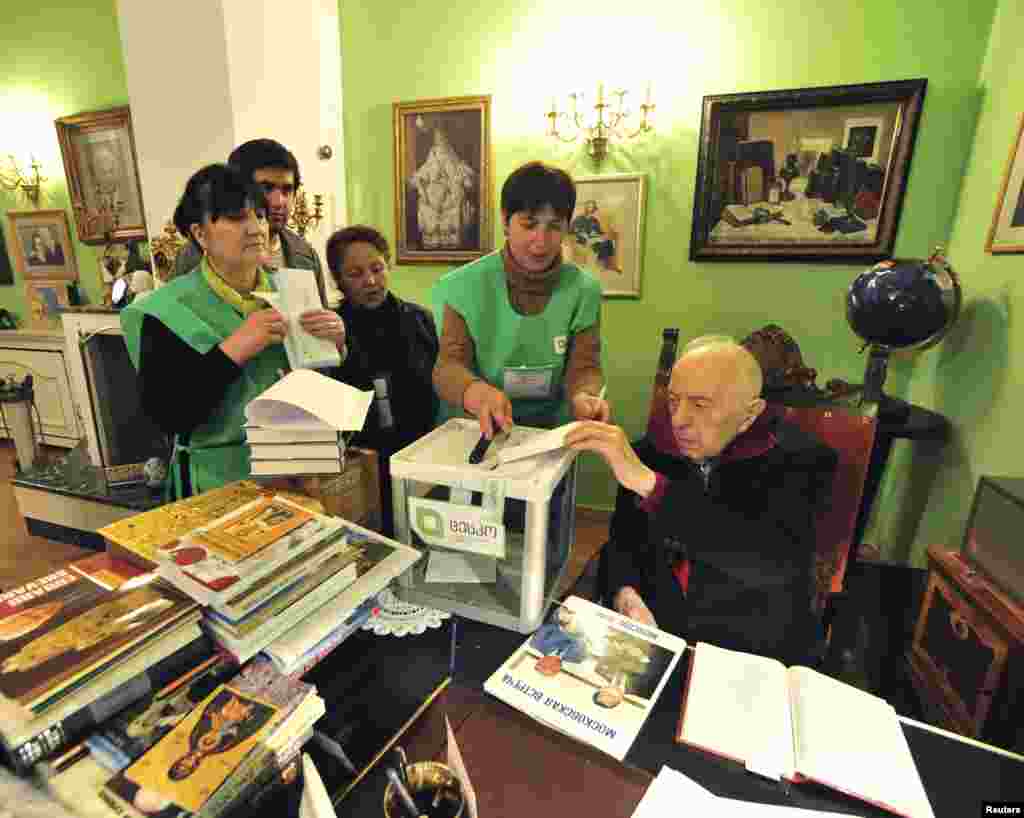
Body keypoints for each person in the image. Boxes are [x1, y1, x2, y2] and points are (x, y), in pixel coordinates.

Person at [566, 336, 837, 665]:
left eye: (700, 404)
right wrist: (626, 594)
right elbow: (622, 543)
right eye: (674, 401)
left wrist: (650, 485)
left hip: (752, 653)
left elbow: (766, 561)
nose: (679, 419)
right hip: (656, 638)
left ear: (750, 414)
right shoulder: (650, 452)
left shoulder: (805, 462)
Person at [121, 164, 346, 499]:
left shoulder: (293, 290)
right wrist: (233, 350)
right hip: (219, 484)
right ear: (200, 234)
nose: (255, 228)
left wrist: (336, 346)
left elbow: (319, 388)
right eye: (236, 218)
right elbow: (168, 415)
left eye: (259, 215)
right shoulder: (164, 309)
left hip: (302, 469)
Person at [432, 161, 610, 438]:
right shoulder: (462, 286)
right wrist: (475, 391)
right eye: (529, 224)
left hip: (547, 437)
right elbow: (449, 367)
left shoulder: (583, 290)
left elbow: (585, 366)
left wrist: (585, 396)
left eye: (554, 226)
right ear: (505, 220)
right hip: (474, 432)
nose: (541, 241)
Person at [325, 225, 439, 535]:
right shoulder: (330, 331)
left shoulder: (420, 320)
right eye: (355, 273)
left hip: (420, 457)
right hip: (361, 466)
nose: (371, 281)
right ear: (339, 280)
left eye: (377, 268)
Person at [174, 139, 330, 309]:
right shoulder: (194, 255)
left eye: (287, 190)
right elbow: (176, 320)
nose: (279, 202)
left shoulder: (305, 255)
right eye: (267, 188)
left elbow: (317, 321)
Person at [410, 127, 476, 249]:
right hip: (433, 194)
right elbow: (422, 175)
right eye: (437, 138)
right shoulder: (432, 158)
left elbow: (461, 175)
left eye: (442, 137)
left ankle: (451, 240)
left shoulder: (452, 157)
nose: (439, 140)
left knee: (456, 198)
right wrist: (422, 185)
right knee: (428, 203)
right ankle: (432, 240)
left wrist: (455, 182)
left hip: (450, 193)